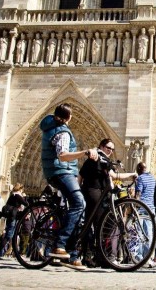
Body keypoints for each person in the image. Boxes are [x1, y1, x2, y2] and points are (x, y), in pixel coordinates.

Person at [40, 103, 99, 270]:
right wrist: (84, 152)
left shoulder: (51, 126)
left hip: (59, 171)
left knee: (77, 214)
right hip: (61, 172)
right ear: (69, 117)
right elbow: (63, 155)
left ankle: (72, 256)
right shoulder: (63, 132)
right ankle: (59, 245)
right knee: (79, 203)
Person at [79, 139, 135, 267]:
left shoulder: (94, 158)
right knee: (102, 225)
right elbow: (114, 176)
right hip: (95, 193)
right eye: (108, 148)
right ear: (101, 146)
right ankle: (100, 258)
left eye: (112, 149)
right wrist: (132, 174)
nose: (110, 151)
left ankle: (88, 256)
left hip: (89, 191)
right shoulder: (102, 158)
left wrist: (80, 191)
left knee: (90, 224)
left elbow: (81, 175)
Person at [134, 162, 156, 266]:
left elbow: (138, 193)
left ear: (139, 169)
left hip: (141, 207)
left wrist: (134, 205)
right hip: (151, 208)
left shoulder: (140, 178)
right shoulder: (152, 178)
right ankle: (147, 257)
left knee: (139, 233)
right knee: (149, 234)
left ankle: (140, 257)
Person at [0, 183, 28, 259]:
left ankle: (15, 254)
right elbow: (26, 204)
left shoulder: (12, 195)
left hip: (10, 217)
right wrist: (25, 197)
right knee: (9, 235)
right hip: (13, 218)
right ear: (20, 189)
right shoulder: (18, 196)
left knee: (12, 236)